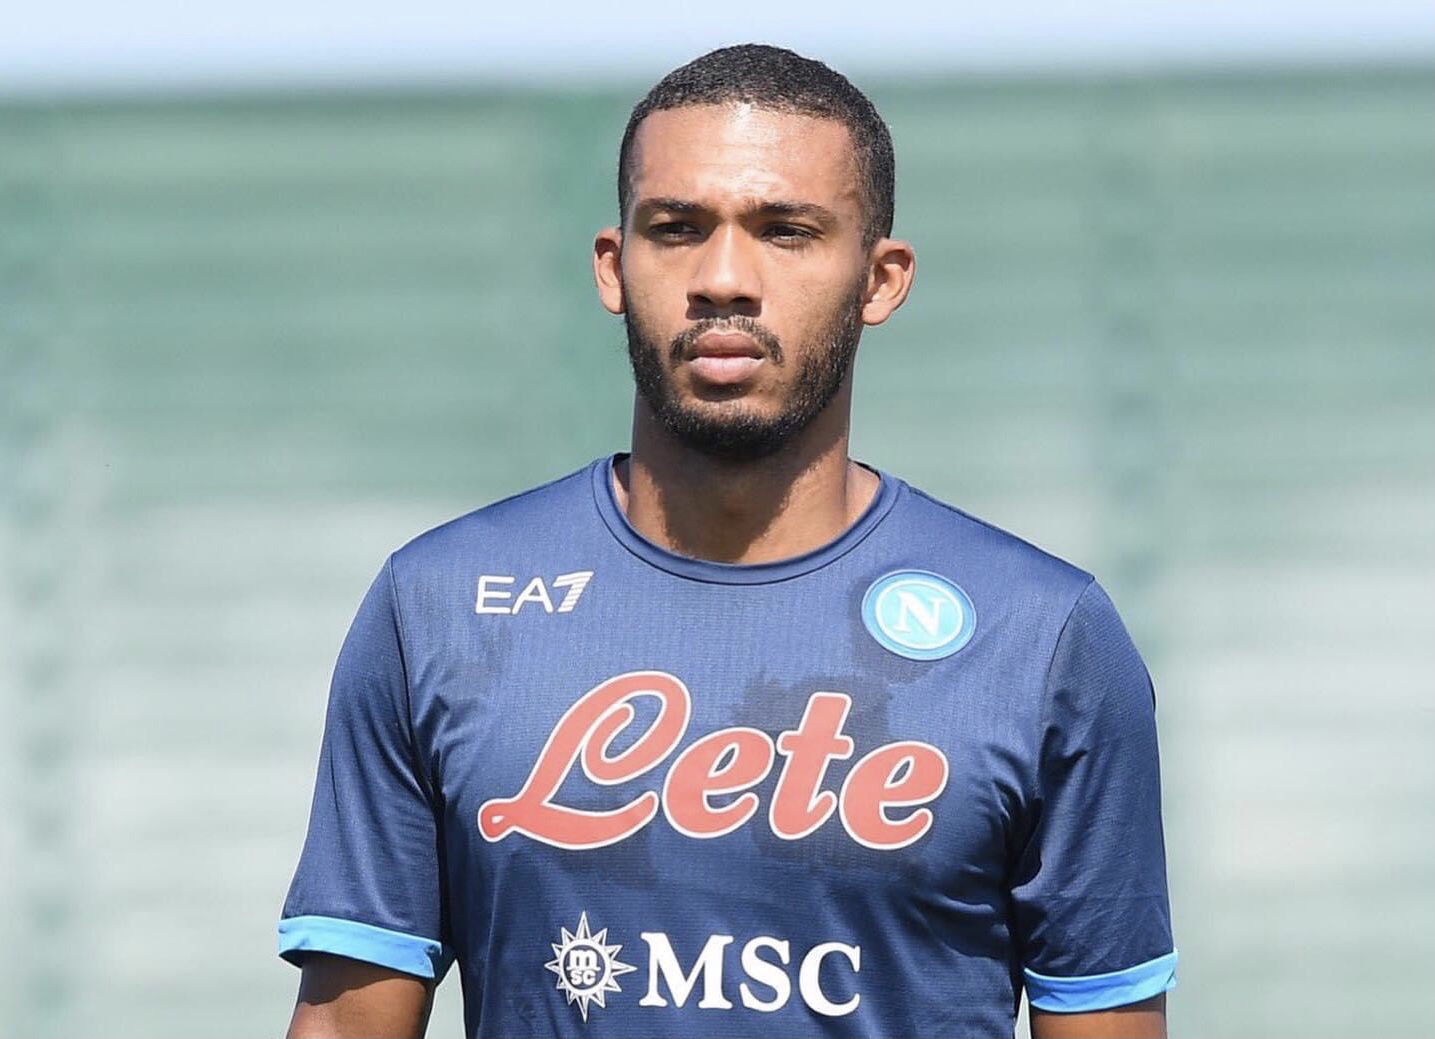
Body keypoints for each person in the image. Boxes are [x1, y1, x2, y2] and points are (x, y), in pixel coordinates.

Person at [278, 43, 1177, 1039]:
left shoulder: (1042, 637)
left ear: (879, 280)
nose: (722, 278)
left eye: (785, 231)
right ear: (614, 265)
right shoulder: (440, 605)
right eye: (676, 229)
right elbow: (347, 1025)